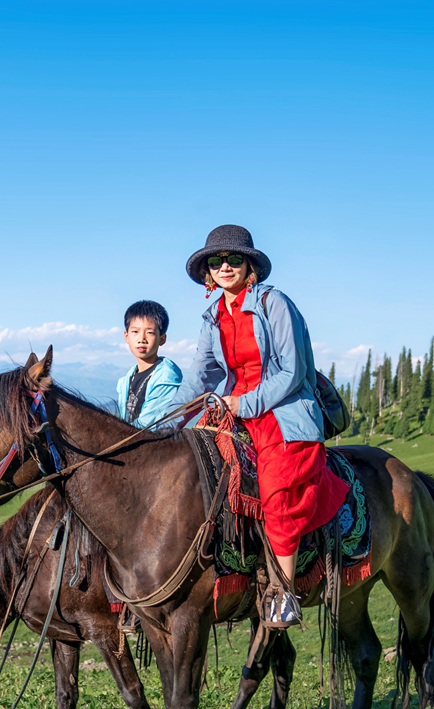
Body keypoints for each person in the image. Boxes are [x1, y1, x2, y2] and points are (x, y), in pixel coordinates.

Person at [187, 225, 348, 628]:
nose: (225, 266)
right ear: (207, 271)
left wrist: (244, 402)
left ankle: (283, 591)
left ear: (251, 266)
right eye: (216, 261)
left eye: (234, 259)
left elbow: (292, 372)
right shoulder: (213, 317)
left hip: (284, 412)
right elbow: (199, 379)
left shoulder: (275, 304)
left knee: (277, 490)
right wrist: (157, 424)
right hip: (234, 410)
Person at [114, 300, 185, 428]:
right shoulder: (127, 378)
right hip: (129, 440)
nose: (142, 339)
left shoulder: (166, 377)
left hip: (153, 444)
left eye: (150, 332)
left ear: (162, 339)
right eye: (135, 332)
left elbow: (149, 425)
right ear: (126, 336)